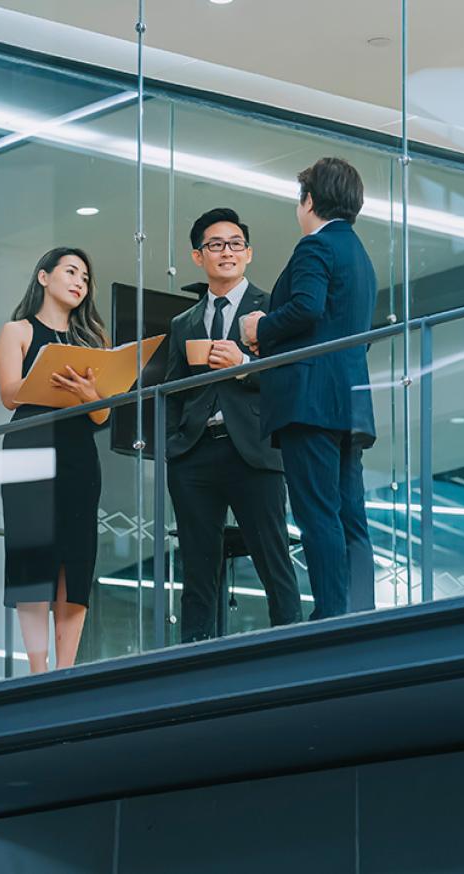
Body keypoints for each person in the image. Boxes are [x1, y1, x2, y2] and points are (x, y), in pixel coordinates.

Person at [240, 157, 376, 620]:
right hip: (350, 402)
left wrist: (261, 327)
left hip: (309, 401)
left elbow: (306, 308)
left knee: (316, 512)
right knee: (349, 514)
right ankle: (359, 610)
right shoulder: (360, 254)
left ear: (310, 200)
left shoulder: (314, 248)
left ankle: (332, 615)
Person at [164, 208, 302, 643]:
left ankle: (292, 650)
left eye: (235, 244)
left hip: (255, 449)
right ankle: (191, 661)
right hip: (194, 453)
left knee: (272, 558)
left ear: (248, 254)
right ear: (197, 257)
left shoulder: (273, 308)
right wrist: (174, 441)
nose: (226, 252)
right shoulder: (182, 323)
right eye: (215, 245)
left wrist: (244, 365)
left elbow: (291, 376)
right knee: (197, 567)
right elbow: (171, 388)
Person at [0, 247, 109, 673]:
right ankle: (37, 672)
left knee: (76, 560)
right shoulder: (18, 331)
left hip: (79, 453)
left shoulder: (93, 343)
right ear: (43, 277)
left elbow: (103, 415)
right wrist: (52, 378)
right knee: (33, 557)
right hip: (30, 448)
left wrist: (88, 396)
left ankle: (66, 670)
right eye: (71, 272)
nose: (79, 282)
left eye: (85, 276)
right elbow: (9, 394)